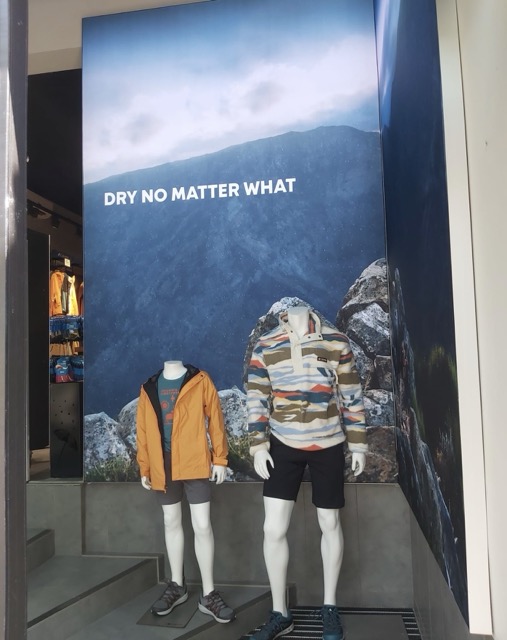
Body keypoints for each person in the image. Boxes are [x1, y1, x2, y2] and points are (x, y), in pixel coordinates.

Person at [247, 307, 367, 640]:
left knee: (330, 523)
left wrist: (358, 444)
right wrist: (258, 445)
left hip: (328, 443)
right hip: (282, 444)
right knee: (272, 529)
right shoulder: (266, 344)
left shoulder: (336, 341)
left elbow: (351, 394)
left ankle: (329, 606)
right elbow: (257, 396)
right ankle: (279, 612)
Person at [136, 360, 235, 624]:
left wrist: (220, 459)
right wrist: (145, 466)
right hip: (163, 464)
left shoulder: (200, 379)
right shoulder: (149, 387)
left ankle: (209, 593)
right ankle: (177, 586)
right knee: (171, 521)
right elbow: (142, 430)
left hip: (194, 460)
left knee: (202, 525)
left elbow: (215, 418)